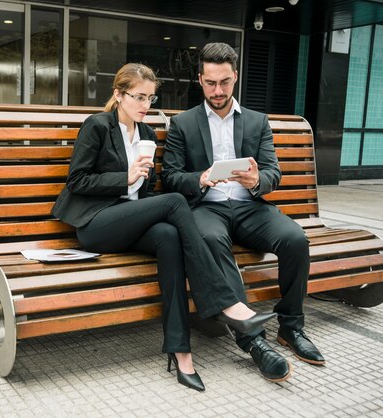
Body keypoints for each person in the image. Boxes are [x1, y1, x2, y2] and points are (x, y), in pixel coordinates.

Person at [52, 63, 275, 392]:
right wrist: (124, 177)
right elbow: (77, 180)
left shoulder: (146, 134)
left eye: (150, 98)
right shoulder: (97, 126)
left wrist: (142, 180)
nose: (145, 105)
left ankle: (180, 350)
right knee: (174, 202)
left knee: (170, 237)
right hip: (96, 223)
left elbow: (147, 192)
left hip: (128, 219)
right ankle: (226, 302)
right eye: (138, 97)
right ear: (118, 95)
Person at [161, 43, 325, 383]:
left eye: (224, 82)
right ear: (200, 80)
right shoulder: (183, 124)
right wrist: (201, 178)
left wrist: (256, 180)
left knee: (295, 239)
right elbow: (170, 177)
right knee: (211, 240)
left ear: (235, 77)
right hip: (207, 207)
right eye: (210, 83)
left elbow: (273, 174)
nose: (217, 91)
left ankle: (291, 328)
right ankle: (253, 342)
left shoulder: (256, 121)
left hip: (250, 206)